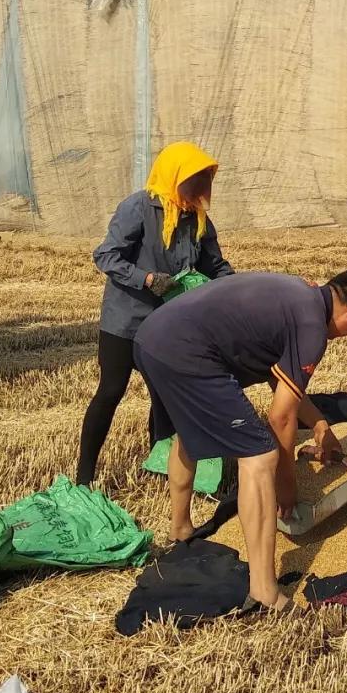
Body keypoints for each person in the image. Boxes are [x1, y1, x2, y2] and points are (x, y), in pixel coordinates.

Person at [133, 268, 347, 612]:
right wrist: (287, 489)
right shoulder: (313, 327)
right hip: (187, 350)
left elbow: (279, 381)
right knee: (261, 455)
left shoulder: (299, 295)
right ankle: (265, 589)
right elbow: (280, 417)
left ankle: (181, 529)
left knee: (191, 433)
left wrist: (321, 424)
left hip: (153, 337)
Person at [76, 141, 234, 485]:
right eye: (196, 181)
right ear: (174, 176)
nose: (202, 189)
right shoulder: (137, 207)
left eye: (205, 181)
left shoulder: (198, 219)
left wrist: (234, 289)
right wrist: (146, 278)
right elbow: (106, 256)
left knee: (165, 397)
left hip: (167, 327)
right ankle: (84, 477)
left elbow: (216, 265)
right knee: (110, 391)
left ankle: (160, 467)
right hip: (125, 322)